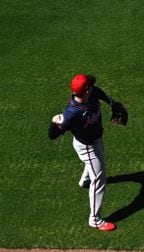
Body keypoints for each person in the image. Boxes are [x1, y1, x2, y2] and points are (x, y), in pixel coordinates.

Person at [48, 73, 123, 231]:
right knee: (100, 177)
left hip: (96, 139)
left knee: (97, 164)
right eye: (90, 84)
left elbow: (99, 92)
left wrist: (112, 102)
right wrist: (54, 122)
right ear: (86, 90)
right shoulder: (71, 113)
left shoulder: (91, 92)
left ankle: (84, 181)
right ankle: (95, 219)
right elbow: (52, 135)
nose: (93, 86)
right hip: (87, 146)